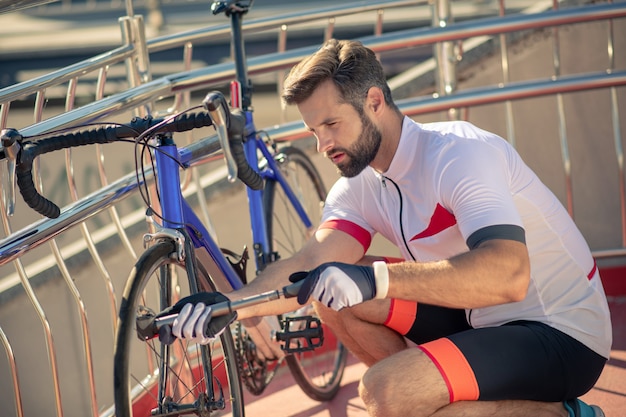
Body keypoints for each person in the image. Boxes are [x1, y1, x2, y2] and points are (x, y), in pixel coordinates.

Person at [160, 39, 612, 417]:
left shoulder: (459, 155)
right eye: (313, 131)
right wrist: (229, 307)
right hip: (478, 318)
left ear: (374, 101)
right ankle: (437, 400)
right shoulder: (359, 183)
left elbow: (509, 275)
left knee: (384, 391)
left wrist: (374, 279)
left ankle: (567, 413)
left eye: (331, 124)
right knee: (326, 292)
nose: (322, 145)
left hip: (559, 331)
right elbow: (308, 264)